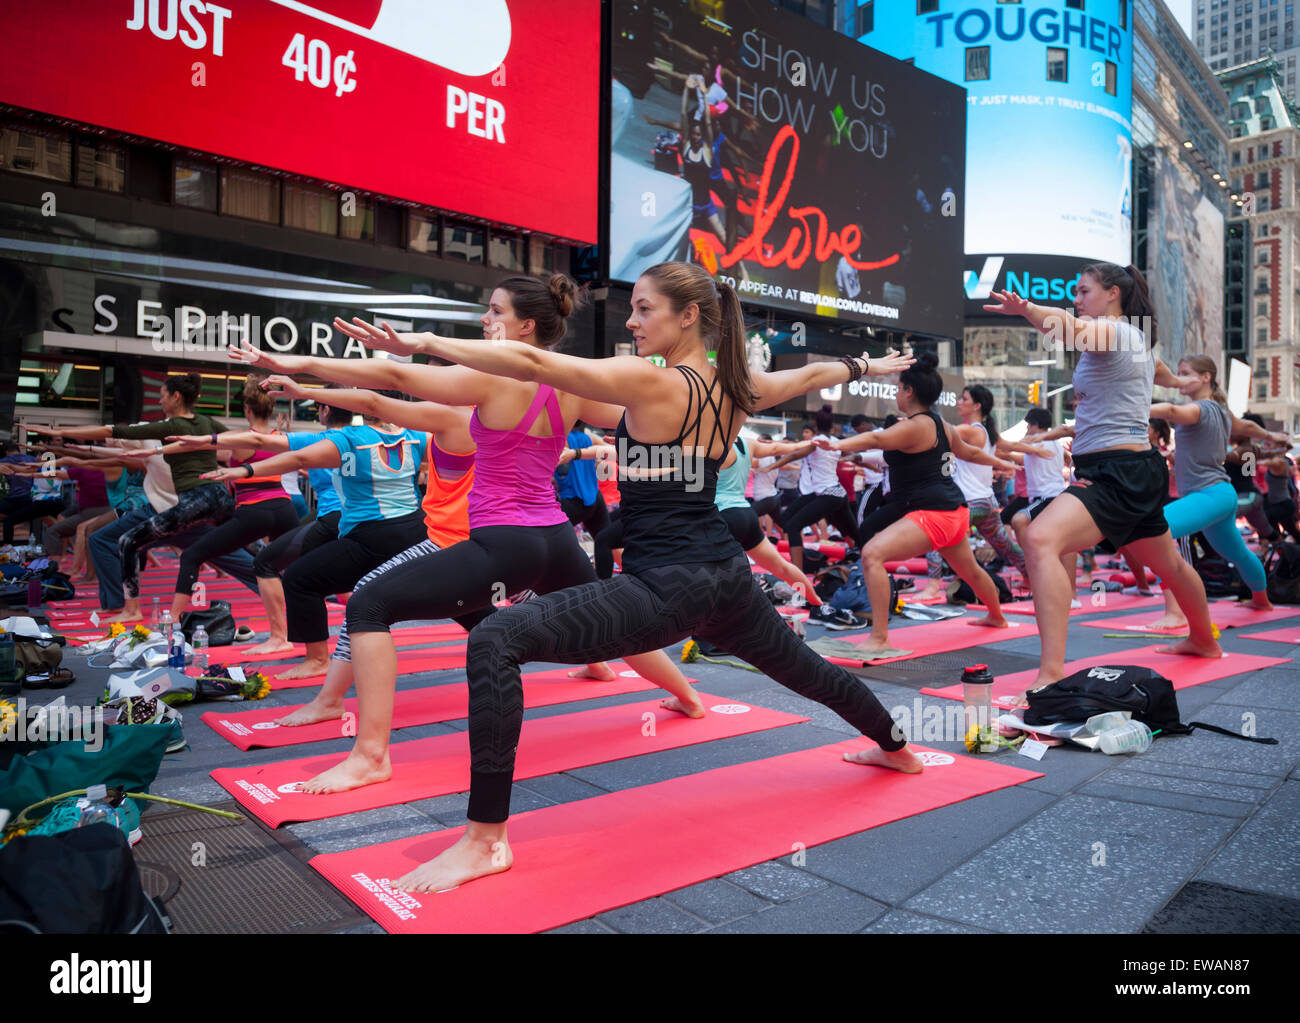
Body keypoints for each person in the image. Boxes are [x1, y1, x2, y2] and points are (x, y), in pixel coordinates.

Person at [361, 261, 923, 894]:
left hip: (668, 586)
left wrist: (425, 342)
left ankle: (486, 841)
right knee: (810, 672)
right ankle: (899, 747)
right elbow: (813, 372)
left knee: (495, 640)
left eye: (644, 309)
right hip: (726, 579)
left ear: (687, 316)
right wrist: (865, 368)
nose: (631, 321)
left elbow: (539, 366)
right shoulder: (741, 384)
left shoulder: (653, 379)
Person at [223, 273, 702, 793]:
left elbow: (393, 386)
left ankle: (370, 756)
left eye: (495, 312)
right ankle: (689, 697)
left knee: (369, 606)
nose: (485, 320)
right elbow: (638, 414)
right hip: (554, 539)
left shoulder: (492, 379)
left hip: (505, 543)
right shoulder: (572, 385)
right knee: (611, 621)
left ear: (525, 327)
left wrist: (298, 364)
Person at [983, 263, 1221, 704]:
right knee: (1168, 563)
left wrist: (1026, 307)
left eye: (1084, 290)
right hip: (1130, 470)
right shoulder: (1137, 341)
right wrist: (1182, 382)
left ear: (1112, 294)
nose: (1077, 297)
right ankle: (1204, 640)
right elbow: (1162, 372)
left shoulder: (1117, 332)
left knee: (1040, 539)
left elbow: (1073, 331)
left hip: (1118, 473)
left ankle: (1051, 672)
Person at [816, 355, 1016, 654]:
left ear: (909, 391)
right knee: (971, 570)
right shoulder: (942, 425)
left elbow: (875, 439)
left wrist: (837, 444)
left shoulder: (917, 426)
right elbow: (970, 454)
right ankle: (996, 617)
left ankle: (880, 637)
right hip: (953, 511)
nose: (896, 393)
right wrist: (1000, 461)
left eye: (898, 388)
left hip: (935, 513)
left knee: (872, 555)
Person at [32, 373, 238, 623]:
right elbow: (108, 444)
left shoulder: (164, 429)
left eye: (162, 396)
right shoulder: (197, 426)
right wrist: (68, 445)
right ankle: (273, 581)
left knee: (120, 540)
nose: (160, 401)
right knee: (232, 552)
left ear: (176, 397)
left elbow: (109, 435)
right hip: (190, 510)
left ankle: (130, 608)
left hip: (179, 509)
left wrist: (61, 434)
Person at [1132, 356, 1274, 630]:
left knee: (1150, 531)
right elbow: (1246, 427)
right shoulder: (1221, 410)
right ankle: (1261, 600)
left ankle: (1176, 612)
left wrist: (1134, 407)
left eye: (1185, 373)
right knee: (1238, 554)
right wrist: (1272, 438)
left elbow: (1172, 412)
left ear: (1205, 377)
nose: (1179, 377)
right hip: (1219, 495)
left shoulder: (1201, 408)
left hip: (1210, 495)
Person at [913, 385, 1038, 601]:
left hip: (971, 501)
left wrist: (916, 418)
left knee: (935, 536)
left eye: (964, 399)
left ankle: (933, 586)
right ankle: (1032, 577)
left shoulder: (971, 430)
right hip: (986, 501)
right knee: (1005, 545)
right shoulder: (987, 432)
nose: (959, 402)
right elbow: (1011, 445)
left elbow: (942, 429)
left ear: (977, 405)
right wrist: (1037, 450)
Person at [770, 405, 862, 570]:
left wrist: (771, 467)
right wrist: (874, 464)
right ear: (832, 425)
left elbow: (793, 455)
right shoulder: (836, 443)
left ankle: (797, 571)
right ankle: (861, 556)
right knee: (851, 530)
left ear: (815, 425)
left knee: (793, 526)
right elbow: (854, 457)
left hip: (828, 494)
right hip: (836, 493)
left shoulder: (817, 443)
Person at [555, 426, 610, 539]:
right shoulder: (589, 438)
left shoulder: (558, 440)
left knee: (548, 539)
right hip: (595, 498)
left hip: (572, 501)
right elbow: (614, 452)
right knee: (606, 543)